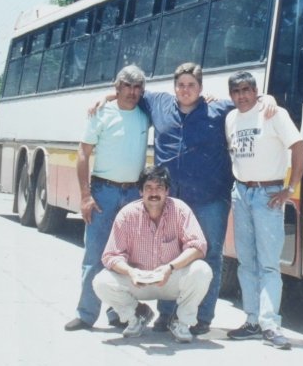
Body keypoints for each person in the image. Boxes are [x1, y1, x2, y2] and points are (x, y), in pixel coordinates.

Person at [99, 62, 276, 335]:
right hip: (168, 199)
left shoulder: (218, 110)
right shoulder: (158, 103)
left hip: (209, 198)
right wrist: (106, 96)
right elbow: (130, 92)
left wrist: (269, 99)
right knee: (166, 253)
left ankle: (201, 318)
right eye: (181, 84)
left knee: (210, 255)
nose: (185, 90)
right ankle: (166, 315)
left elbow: (251, 101)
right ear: (174, 87)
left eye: (191, 85)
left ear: (201, 88)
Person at [225, 71, 303, 350]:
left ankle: (270, 325)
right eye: (236, 92)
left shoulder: (274, 114)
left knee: (269, 264)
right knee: (246, 262)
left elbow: (299, 148)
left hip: (268, 195)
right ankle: (251, 321)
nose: (241, 96)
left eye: (247, 90)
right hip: (241, 193)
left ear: (256, 91)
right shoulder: (231, 118)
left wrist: (290, 188)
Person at [64, 65, 150, 332]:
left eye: (137, 88)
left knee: (128, 258)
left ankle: (121, 313)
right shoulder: (101, 113)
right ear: (118, 87)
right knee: (96, 255)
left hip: (134, 194)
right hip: (103, 192)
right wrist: (85, 196)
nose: (132, 92)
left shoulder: (145, 114)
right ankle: (86, 314)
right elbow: (82, 154)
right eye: (127, 86)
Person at [92, 165, 212, 342]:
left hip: (170, 277)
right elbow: (111, 256)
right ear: (140, 191)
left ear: (167, 191)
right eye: (148, 188)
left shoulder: (180, 210)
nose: (154, 193)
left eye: (159, 188)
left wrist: (170, 267)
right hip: (138, 280)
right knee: (101, 282)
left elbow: (198, 246)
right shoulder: (127, 215)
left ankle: (181, 322)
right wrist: (131, 272)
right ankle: (137, 315)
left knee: (202, 270)